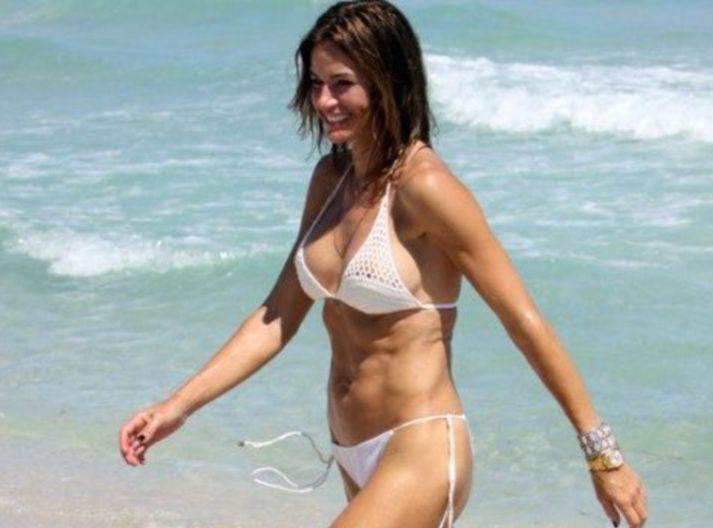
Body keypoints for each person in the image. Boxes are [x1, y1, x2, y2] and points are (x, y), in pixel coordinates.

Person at [119, 1, 648, 526]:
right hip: (352, 449)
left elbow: (523, 320)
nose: (324, 100)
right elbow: (277, 314)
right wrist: (178, 405)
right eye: (316, 83)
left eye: (342, 84)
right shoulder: (331, 180)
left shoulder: (426, 187)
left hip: (419, 447)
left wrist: (603, 456)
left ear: (387, 79)